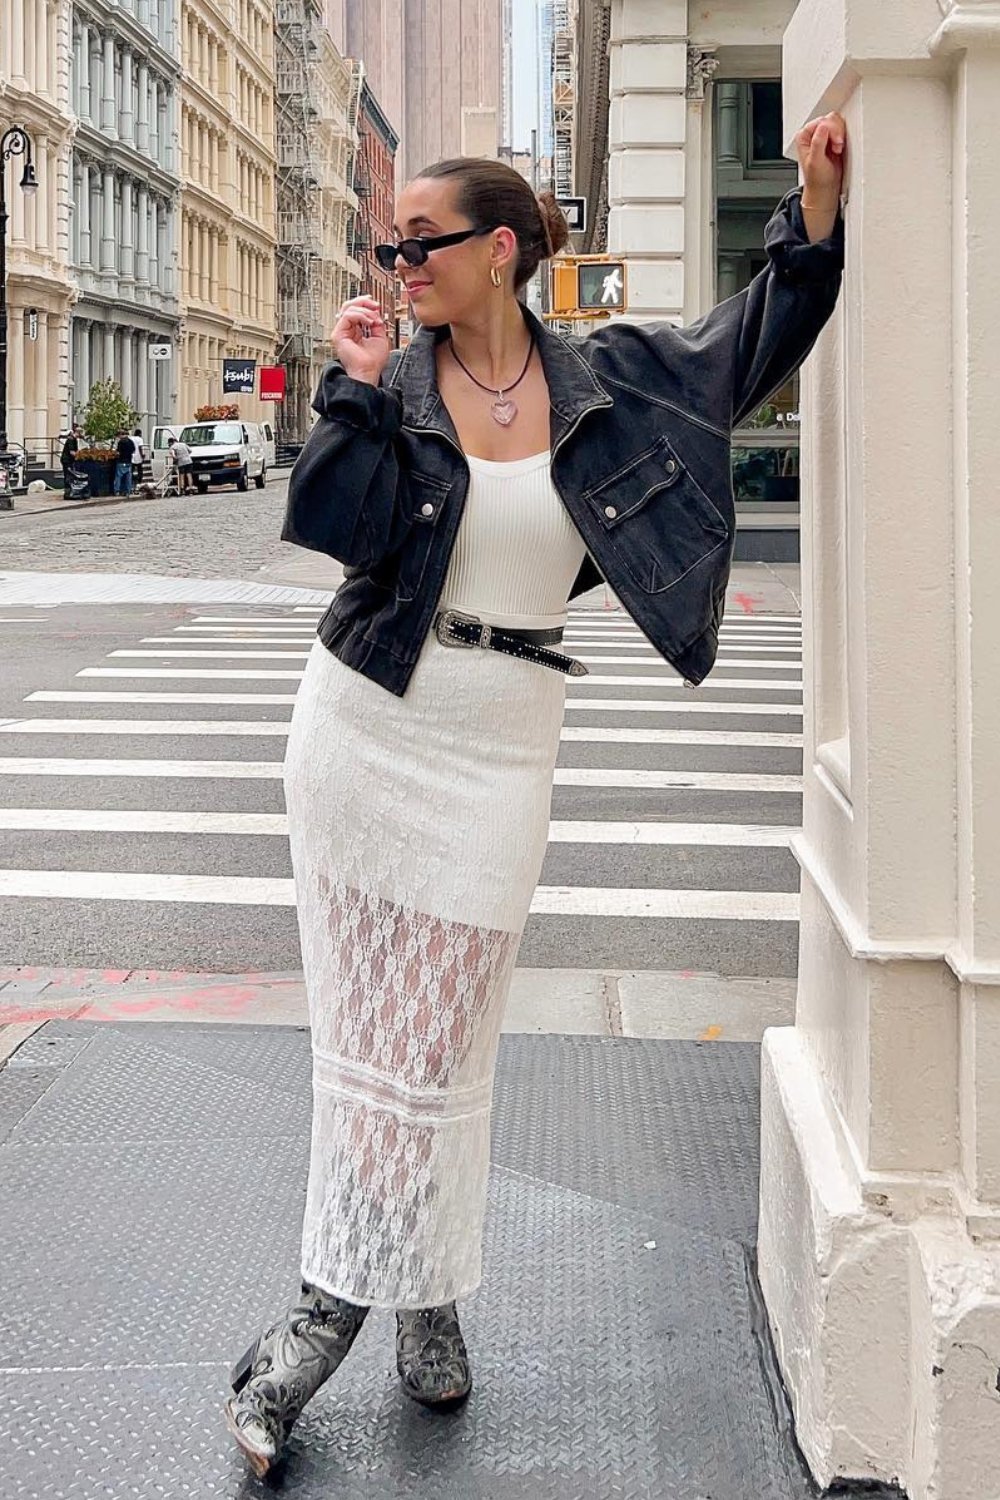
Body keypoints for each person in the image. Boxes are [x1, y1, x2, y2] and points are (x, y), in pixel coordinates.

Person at [224, 114, 848, 1478]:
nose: (398, 267)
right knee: (367, 1045)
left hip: (501, 740)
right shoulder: (391, 381)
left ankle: (372, 1301)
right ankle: (360, 1313)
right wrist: (348, 389)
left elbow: (759, 337)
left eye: (420, 245)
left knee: (436, 1046)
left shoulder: (613, 378)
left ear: (501, 250)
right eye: (392, 250)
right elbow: (331, 534)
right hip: (365, 727)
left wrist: (810, 205)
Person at [60, 425, 83, 494]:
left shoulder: (74, 439)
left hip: (70, 460)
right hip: (66, 460)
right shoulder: (71, 439)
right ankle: (67, 490)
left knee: (70, 475)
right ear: (78, 433)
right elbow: (72, 452)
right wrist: (79, 455)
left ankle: (69, 489)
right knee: (68, 475)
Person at [113, 430, 135, 495]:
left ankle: (117, 490)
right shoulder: (131, 442)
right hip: (128, 461)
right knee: (128, 477)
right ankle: (128, 491)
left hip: (121, 461)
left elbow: (118, 452)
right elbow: (133, 451)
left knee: (118, 477)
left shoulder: (120, 442)